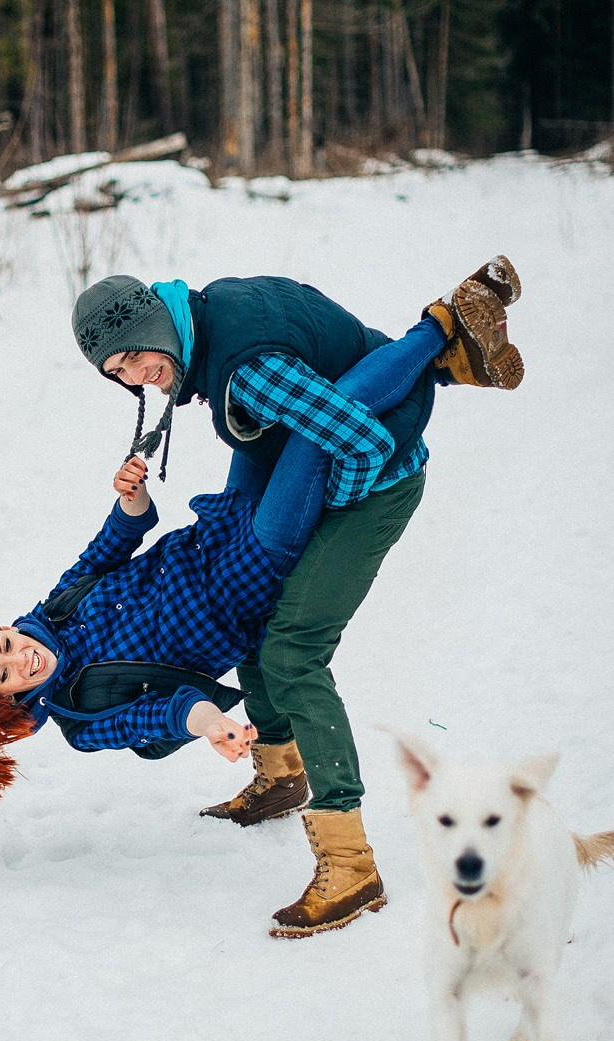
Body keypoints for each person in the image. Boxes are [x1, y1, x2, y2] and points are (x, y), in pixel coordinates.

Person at [69, 257, 524, 938]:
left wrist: (315, 507)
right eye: (117, 374)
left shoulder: (246, 368)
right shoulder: (210, 312)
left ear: (155, 322)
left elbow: (362, 444)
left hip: (375, 484)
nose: (135, 377)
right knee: (250, 616)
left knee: (291, 652)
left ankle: (351, 865)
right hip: (339, 427)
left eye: (134, 356)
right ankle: (280, 774)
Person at [0, 303, 463, 813]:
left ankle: (429, 361)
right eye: (4, 676)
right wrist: (210, 724)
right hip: (254, 570)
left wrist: (130, 501)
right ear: (2, 704)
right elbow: (160, 713)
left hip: (214, 533)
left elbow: (108, 549)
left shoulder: (53, 613)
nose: (20, 658)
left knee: (261, 411)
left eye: (4, 644)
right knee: (314, 435)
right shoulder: (80, 710)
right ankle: (438, 333)